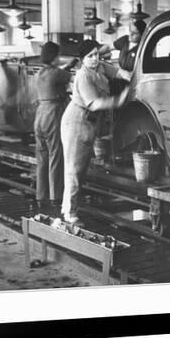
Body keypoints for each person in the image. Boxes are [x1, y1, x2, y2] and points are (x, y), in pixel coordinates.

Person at [60, 40, 130, 225]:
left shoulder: (99, 66)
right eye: (90, 56)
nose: (95, 58)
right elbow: (94, 103)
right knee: (74, 169)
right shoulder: (83, 75)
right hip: (77, 120)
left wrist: (132, 78)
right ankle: (69, 213)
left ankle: (69, 206)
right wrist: (118, 100)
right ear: (82, 59)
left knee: (80, 169)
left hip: (90, 121)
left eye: (97, 54)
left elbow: (117, 71)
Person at [33, 41, 72, 209]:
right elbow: (68, 76)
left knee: (42, 157)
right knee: (56, 154)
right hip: (52, 114)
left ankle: (41, 196)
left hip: (40, 114)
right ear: (54, 57)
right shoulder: (57, 74)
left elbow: (59, 72)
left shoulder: (40, 72)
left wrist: (66, 66)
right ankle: (56, 197)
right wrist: (71, 65)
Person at [97, 19, 147, 93]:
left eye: (135, 33)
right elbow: (108, 47)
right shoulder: (125, 40)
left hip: (134, 80)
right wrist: (96, 53)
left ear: (141, 35)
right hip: (121, 77)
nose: (130, 34)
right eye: (130, 31)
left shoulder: (143, 47)